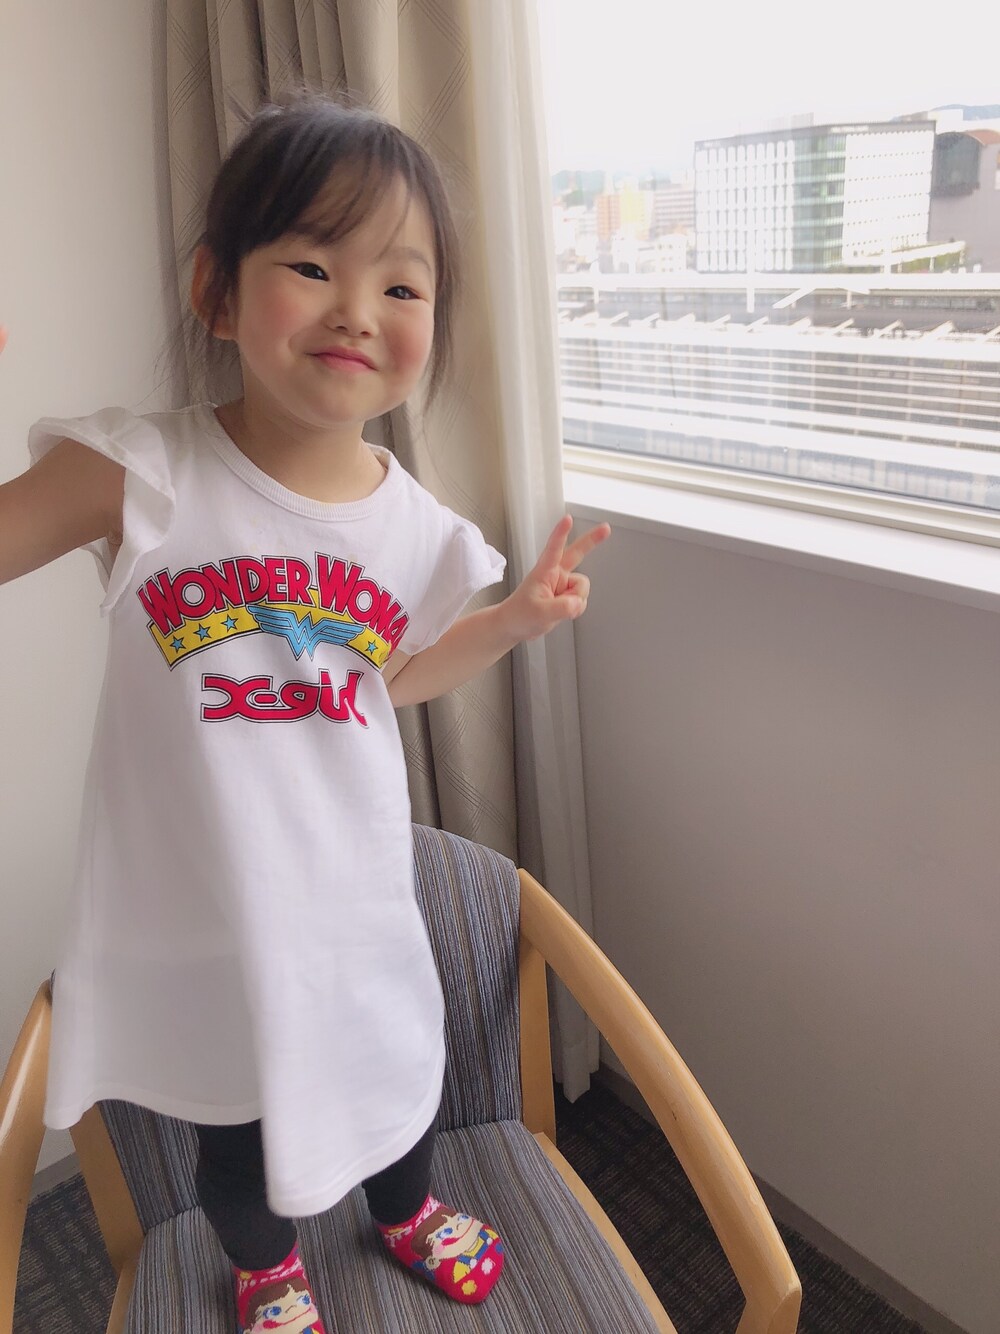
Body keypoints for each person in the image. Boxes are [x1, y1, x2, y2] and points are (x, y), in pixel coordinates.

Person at [0, 95, 609, 1329]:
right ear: (216, 292)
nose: (357, 309)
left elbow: (390, 674)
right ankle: (265, 1265)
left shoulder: (415, 526)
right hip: (207, 909)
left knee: (394, 1079)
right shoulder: (140, 474)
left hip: (353, 893)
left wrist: (509, 621)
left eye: (402, 284)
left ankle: (407, 1210)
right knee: (236, 1128)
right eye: (314, 266)